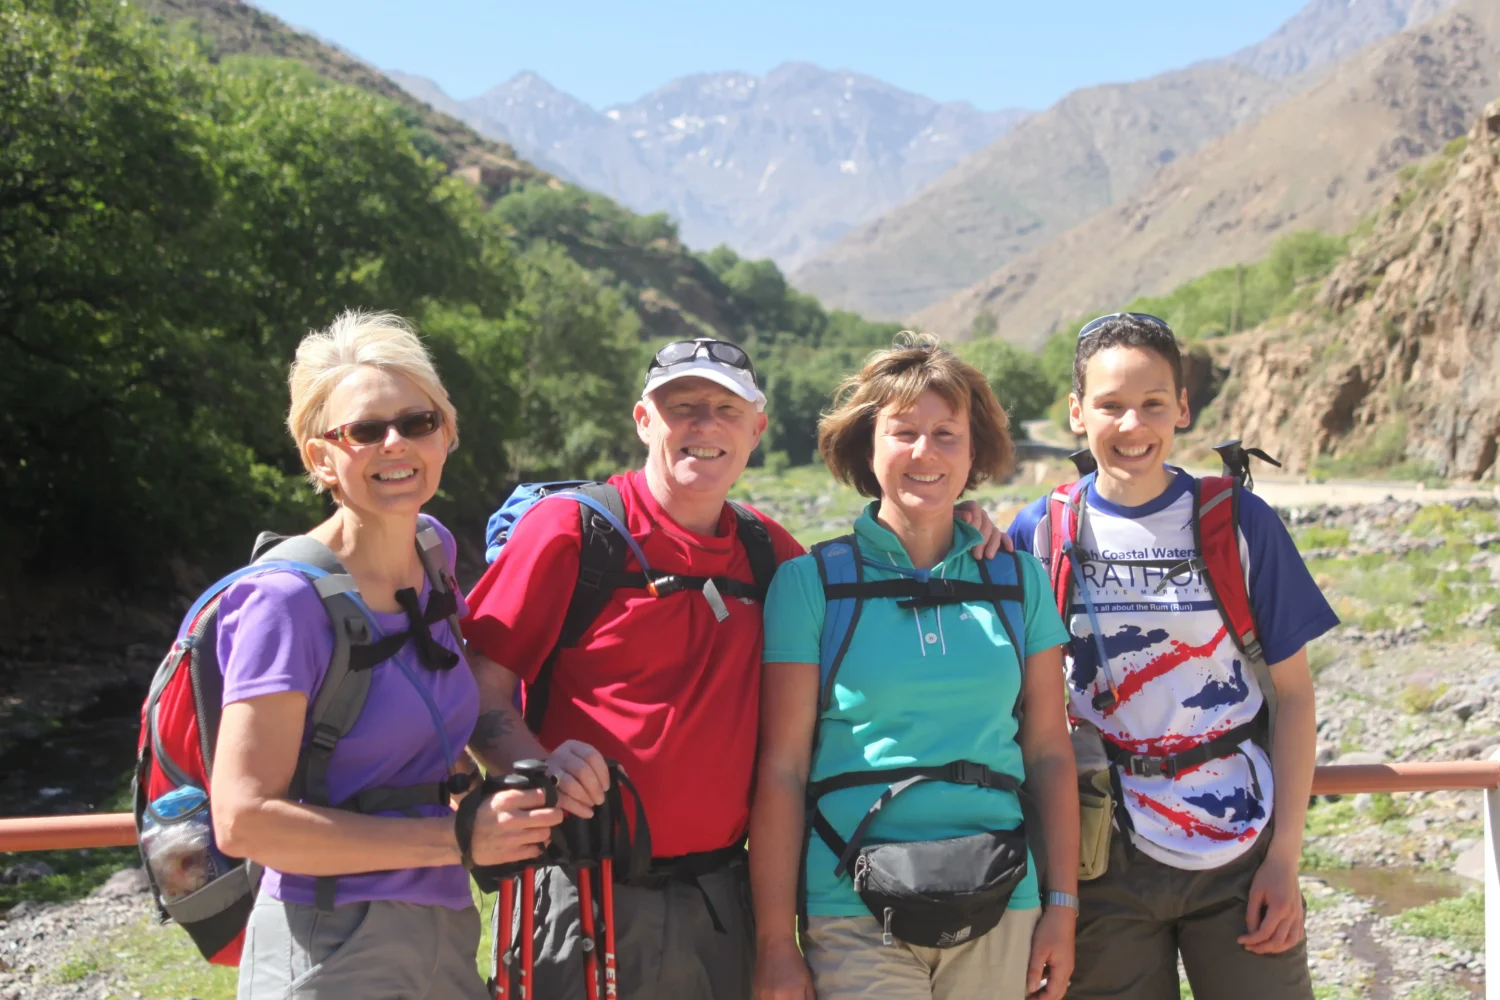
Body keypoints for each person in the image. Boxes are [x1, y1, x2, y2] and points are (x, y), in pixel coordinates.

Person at [459, 337, 1011, 1000]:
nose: (704, 425)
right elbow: (477, 682)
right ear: (643, 420)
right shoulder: (570, 532)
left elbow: (870, 587)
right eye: (682, 406)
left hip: (725, 897)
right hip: (584, 889)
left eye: (725, 409)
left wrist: (957, 522)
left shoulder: (767, 552)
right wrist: (534, 763)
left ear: (757, 430)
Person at [212, 311, 563, 999]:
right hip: (330, 946)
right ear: (321, 458)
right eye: (366, 431)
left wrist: (545, 764)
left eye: (418, 421)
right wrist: (460, 840)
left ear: (447, 432)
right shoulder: (285, 603)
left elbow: (433, 725)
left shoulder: (432, 555)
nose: (396, 443)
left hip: (444, 932)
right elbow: (243, 818)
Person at [1007, 313, 1337, 1000]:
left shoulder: (1238, 523)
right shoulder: (1039, 532)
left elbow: (1297, 696)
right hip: (1100, 857)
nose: (1133, 426)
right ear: (1076, 413)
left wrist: (1285, 859)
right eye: (1111, 406)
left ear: (1182, 408)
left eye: (1153, 404)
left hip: (1240, 848)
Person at [751, 335, 1080, 1000]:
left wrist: (1062, 910)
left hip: (1002, 896)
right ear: (867, 448)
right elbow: (783, 769)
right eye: (903, 432)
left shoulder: (1018, 583)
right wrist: (774, 945)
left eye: (946, 434)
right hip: (851, 904)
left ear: (974, 451)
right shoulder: (810, 585)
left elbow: (1049, 752)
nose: (924, 453)